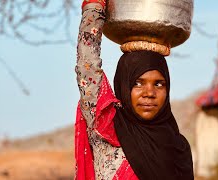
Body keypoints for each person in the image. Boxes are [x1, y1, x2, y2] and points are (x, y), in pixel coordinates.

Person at [75, 0, 194, 179]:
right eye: (138, 83)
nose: (149, 93)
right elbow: (87, 65)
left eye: (159, 84)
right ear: (124, 86)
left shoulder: (178, 149)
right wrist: (94, 8)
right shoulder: (107, 126)